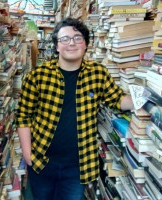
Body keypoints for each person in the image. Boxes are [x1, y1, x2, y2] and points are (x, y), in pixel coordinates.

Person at [16, 18, 134, 200]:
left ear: (86, 44)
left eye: (77, 38)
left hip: (78, 166)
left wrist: (145, 99)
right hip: (42, 161)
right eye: (64, 39)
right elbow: (24, 115)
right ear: (56, 46)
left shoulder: (98, 73)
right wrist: (27, 153)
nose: (71, 43)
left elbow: (117, 100)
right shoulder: (38, 75)